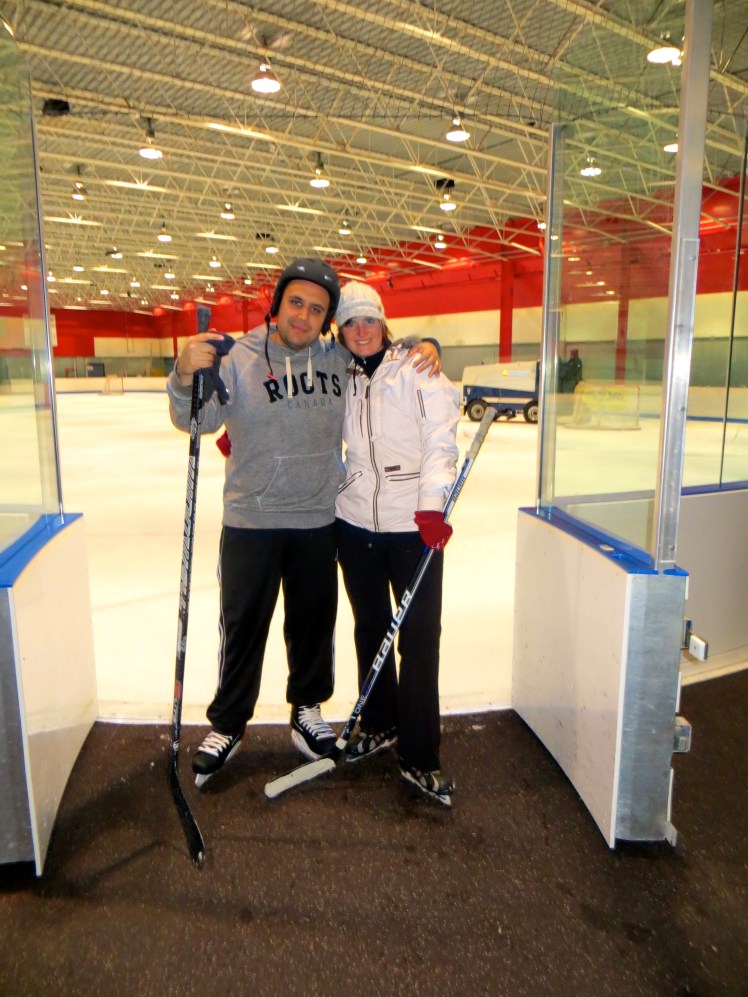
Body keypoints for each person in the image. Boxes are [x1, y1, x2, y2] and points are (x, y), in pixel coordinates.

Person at [166, 259, 440, 787]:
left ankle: (307, 709)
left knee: (313, 625)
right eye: (297, 302)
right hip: (252, 519)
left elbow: (382, 350)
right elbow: (194, 419)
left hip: (319, 518)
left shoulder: (337, 358)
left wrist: (426, 344)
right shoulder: (240, 357)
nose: (305, 315)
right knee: (243, 628)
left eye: (317, 309)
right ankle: (228, 725)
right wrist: (183, 374)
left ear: (327, 320)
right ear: (277, 303)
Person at [333, 281, 460, 807]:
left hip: (414, 528)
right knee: (370, 630)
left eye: (369, 321)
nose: (361, 331)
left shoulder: (417, 369)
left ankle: (419, 752)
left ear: (383, 324)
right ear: (339, 331)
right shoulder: (338, 377)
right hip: (356, 523)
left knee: (419, 640)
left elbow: (441, 440)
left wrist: (432, 505)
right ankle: (381, 723)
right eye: (350, 323)